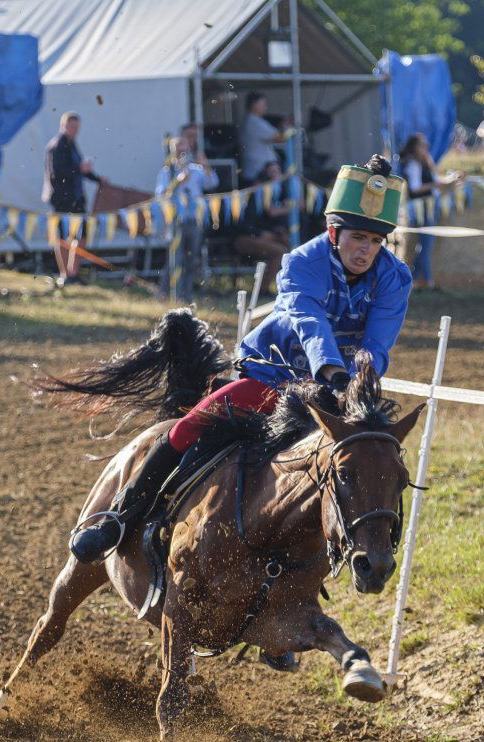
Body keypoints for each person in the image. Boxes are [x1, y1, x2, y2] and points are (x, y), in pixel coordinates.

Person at [68, 154, 412, 564]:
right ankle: (119, 517)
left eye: (376, 241)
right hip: (275, 373)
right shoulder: (302, 261)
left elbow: (377, 343)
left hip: (339, 389)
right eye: (358, 237)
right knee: (189, 426)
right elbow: (309, 319)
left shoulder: (396, 276)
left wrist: (358, 381)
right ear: (333, 232)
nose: (366, 250)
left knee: (374, 457)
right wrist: (332, 370)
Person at [154, 125, 218, 298]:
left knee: (191, 259)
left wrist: (205, 166)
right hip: (175, 220)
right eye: (178, 149)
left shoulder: (197, 170)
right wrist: (177, 182)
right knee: (175, 259)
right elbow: (160, 194)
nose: (182, 153)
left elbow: (212, 183)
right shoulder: (166, 172)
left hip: (194, 219)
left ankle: (186, 294)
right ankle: (165, 293)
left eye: (184, 148)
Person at [43, 111, 106, 286]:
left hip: (76, 198)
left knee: (82, 234)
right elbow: (59, 172)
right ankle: (65, 274)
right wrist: (80, 169)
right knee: (63, 236)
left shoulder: (72, 144)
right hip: (61, 198)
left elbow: (80, 169)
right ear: (63, 126)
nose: (74, 130)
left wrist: (98, 179)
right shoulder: (56, 146)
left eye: (77, 127)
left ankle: (73, 272)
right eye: (71, 126)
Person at [398, 133, 460, 292]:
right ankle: (427, 282)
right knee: (425, 245)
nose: (425, 148)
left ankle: (416, 282)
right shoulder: (413, 164)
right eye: (422, 145)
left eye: (426, 145)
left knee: (425, 246)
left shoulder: (426, 162)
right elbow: (416, 188)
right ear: (414, 147)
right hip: (420, 209)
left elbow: (437, 181)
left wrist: (451, 180)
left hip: (429, 207)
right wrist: (434, 185)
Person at [239, 91, 287, 184]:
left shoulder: (251, 120)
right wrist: (285, 126)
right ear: (254, 104)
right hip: (260, 172)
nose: (266, 107)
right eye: (263, 104)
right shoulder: (254, 122)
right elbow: (280, 138)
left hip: (261, 170)